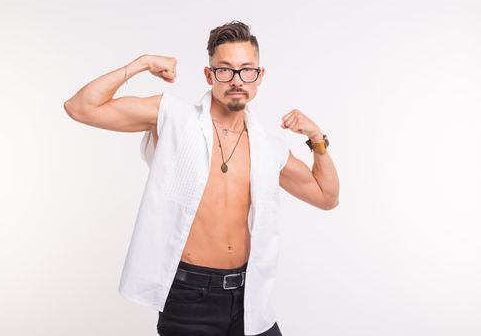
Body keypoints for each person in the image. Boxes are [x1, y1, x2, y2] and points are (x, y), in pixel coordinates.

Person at [64, 20, 340, 336]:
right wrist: (141, 63)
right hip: (189, 299)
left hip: (249, 299)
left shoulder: (268, 149)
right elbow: (80, 107)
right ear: (209, 75)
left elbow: (326, 196)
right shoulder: (172, 118)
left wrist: (317, 140)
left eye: (247, 70)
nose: (236, 80)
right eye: (225, 70)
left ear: (259, 77)